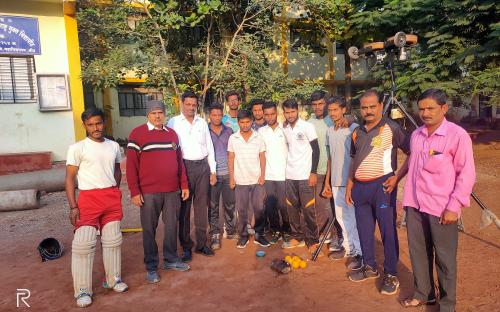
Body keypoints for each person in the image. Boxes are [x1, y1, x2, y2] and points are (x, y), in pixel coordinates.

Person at [400, 89, 475, 310]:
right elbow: (413, 166)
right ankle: (424, 293)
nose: (425, 113)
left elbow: (467, 174)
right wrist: (400, 186)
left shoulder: (457, 135)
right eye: (421, 108)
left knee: (444, 260)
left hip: (442, 207)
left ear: (444, 108)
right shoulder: (416, 135)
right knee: (419, 254)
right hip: (415, 205)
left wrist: (454, 206)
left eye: (430, 108)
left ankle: (447, 305)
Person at [345, 89, 410, 296]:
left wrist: (397, 177)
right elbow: (353, 161)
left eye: (373, 106)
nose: (368, 111)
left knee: (388, 231)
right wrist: (349, 186)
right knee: (364, 230)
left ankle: (391, 273)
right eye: (364, 107)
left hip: (382, 187)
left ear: (381, 106)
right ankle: (370, 266)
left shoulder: (391, 127)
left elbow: (412, 152)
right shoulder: (356, 132)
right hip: (360, 189)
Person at [66, 107, 128, 307]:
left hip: (110, 195)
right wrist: (73, 206)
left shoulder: (113, 146)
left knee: (113, 240)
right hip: (88, 198)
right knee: (83, 244)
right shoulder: (77, 148)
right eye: (90, 124)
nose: (95, 128)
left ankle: (113, 279)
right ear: (84, 126)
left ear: (104, 123)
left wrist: (114, 190)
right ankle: (83, 290)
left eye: (98, 123)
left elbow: (117, 169)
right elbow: (69, 179)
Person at [127, 100, 190, 284]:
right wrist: (134, 191)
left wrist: (183, 185)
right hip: (148, 193)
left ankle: (170, 259)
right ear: (148, 115)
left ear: (164, 114)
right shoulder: (137, 134)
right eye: (153, 113)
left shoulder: (172, 134)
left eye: (160, 113)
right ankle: (152, 266)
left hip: (172, 191)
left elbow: (180, 163)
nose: (157, 116)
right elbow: (131, 167)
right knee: (149, 230)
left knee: (171, 226)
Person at [168, 91, 217, 261]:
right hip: (184, 168)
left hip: (202, 167)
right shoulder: (173, 122)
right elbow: (170, 150)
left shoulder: (202, 122)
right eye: (188, 104)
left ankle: (202, 244)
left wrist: (213, 170)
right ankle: (186, 246)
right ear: (181, 104)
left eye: (194, 105)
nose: (191, 108)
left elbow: (209, 146)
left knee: (201, 208)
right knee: (184, 209)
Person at [322, 96, 363, 271]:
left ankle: (360, 252)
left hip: (350, 182)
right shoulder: (330, 131)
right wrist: (327, 181)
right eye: (330, 110)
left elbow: (358, 156)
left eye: (335, 109)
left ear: (343, 110)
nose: (332, 113)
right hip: (336, 181)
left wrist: (353, 181)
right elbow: (331, 158)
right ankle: (348, 248)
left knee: (353, 218)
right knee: (341, 218)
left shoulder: (354, 128)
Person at [281, 99, 321, 253]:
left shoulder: (307, 126)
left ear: (297, 111)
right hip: (290, 175)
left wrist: (313, 172)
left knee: (308, 209)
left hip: (305, 176)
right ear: (284, 112)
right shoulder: (284, 128)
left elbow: (316, 150)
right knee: (292, 208)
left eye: (292, 112)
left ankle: (313, 240)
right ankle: (297, 237)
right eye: (287, 112)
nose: (290, 115)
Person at [228, 109, 270, 248]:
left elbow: (262, 156)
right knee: (242, 209)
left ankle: (259, 234)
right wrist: (232, 178)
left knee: (259, 208)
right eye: (242, 122)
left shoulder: (258, 137)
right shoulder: (233, 138)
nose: (245, 125)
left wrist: (263, 175)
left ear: (252, 122)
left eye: (247, 122)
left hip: (257, 179)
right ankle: (243, 236)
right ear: (238, 123)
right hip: (240, 180)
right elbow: (231, 158)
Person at [308, 90, 344, 251]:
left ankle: (339, 237)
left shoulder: (334, 120)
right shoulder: (308, 123)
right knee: (320, 206)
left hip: (337, 171)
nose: (318, 107)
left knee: (336, 206)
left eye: (321, 104)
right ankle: (327, 234)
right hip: (318, 171)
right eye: (314, 105)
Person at [258, 101, 291, 244]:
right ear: (263, 115)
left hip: (284, 174)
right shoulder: (261, 132)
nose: (270, 117)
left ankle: (287, 229)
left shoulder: (286, 129)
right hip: (269, 176)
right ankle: (276, 229)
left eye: (272, 114)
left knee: (284, 205)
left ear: (276, 114)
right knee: (270, 205)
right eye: (267, 114)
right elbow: (260, 154)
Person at [208, 103, 236, 249]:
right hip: (212, 176)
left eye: (219, 115)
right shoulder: (204, 131)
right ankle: (214, 234)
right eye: (214, 115)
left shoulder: (229, 131)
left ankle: (230, 230)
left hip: (227, 174)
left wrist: (233, 174)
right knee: (213, 206)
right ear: (209, 116)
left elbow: (233, 153)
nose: (217, 117)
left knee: (230, 204)